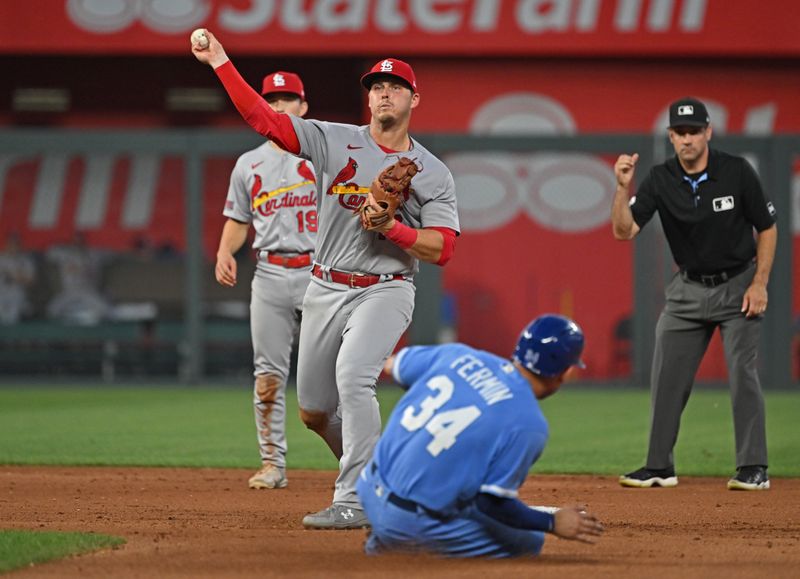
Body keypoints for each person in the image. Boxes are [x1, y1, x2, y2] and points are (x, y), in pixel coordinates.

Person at [193, 32, 460, 528]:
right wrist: (220, 61)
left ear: (414, 99)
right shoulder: (334, 138)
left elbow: (444, 248)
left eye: (395, 86)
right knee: (315, 411)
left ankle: (355, 498)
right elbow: (265, 120)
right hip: (325, 285)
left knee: (354, 378)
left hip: (386, 288)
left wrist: (393, 228)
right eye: (376, 85)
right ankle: (384, 473)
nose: (384, 92)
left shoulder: (432, 172)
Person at [612, 97, 777, 491]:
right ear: (671, 136)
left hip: (739, 284)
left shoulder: (736, 172)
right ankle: (659, 467)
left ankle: (753, 467)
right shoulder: (659, 178)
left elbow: (767, 228)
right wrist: (622, 188)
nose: (687, 139)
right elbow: (624, 230)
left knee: (742, 375)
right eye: (679, 132)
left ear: (708, 132)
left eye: (693, 131)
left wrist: (760, 283)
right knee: (666, 377)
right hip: (687, 289)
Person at [356, 314, 603, 557]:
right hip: (406, 521)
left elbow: (392, 365)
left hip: (367, 487)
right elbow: (493, 503)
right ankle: (395, 546)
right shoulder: (530, 424)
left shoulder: (459, 355)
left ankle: (384, 529)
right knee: (528, 540)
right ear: (565, 372)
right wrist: (551, 523)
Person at [215, 71, 317, 490]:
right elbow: (239, 219)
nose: (278, 106)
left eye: (287, 98)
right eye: (271, 99)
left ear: (303, 107)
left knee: (331, 377)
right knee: (268, 376)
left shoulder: (321, 154)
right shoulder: (249, 163)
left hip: (318, 272)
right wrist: (225, 250)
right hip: (271, 273)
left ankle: (353, 463)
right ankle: (272, 464)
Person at [46, 231, 110, 325]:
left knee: (105, 310)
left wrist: (96, 240)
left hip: (88, 291)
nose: (78, 242)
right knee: (51, 310)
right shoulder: (64, 254)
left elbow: (112, 252)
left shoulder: (94, 253)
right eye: (75, 239)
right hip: (69, 291)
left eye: (80, 239)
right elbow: (49, 252)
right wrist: (65, 240)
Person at [0, 232, 36, 325]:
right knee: (4, 317)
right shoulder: (1, 259)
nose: (13, 246)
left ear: (20, 245)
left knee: (12, 317)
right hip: (2, 294)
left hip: (17, 294)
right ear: (7, 244)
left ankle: (25, 310)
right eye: (11, 243)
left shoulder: (25, 260)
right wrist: (16, 276)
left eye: (16, 244)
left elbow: (30, 281)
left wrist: (14, 277)